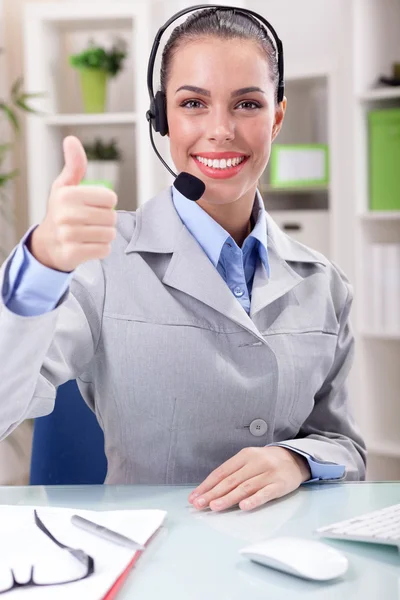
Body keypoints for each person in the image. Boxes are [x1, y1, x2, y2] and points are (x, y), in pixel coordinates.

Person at [0, 7, 366, 512]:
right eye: (193, 102)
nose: (220, 130)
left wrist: (296, 460)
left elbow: (345, 447)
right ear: (162, 118)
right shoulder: (103, 263)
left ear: (277, 117)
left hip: (281, 559)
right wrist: (39, 267)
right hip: (149, 559)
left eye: (247, 104)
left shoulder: (325, 284)